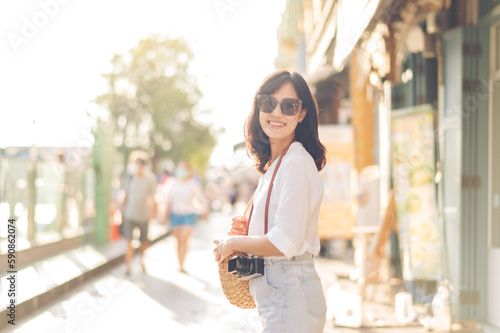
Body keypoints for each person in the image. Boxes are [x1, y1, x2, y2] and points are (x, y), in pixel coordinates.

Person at [213, 70, 327, 332]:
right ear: (258, 107)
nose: (277, 113)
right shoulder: (277, 165)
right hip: (282, 295)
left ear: (302, 114)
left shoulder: (296, 162)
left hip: (290, 293)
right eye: (268, 103)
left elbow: (285, 241)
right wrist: (248, 234)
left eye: (289, 106)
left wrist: (233, 243)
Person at [164, 161, 209, 273]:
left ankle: (182, 265)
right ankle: (179, 261)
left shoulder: (194, 184)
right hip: (175, 215)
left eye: (184, 168)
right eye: (180, 168)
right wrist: (165, 215)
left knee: (184, 239)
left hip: (189, 215)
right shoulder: (172, 183)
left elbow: (201, 200)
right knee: (178, 240)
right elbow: (168, 200)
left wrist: (205, 214)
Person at [122, 153, 158, 275]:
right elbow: (125, 195)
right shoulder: (129, 178)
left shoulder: (150, 179)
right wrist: (121, 211)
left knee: (144, 242)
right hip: (129, 214)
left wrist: (154, 210)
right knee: (129, 241)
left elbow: (153, 196)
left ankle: (142, 260)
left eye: (140, 163)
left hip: (143, 215)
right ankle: (128, 267)